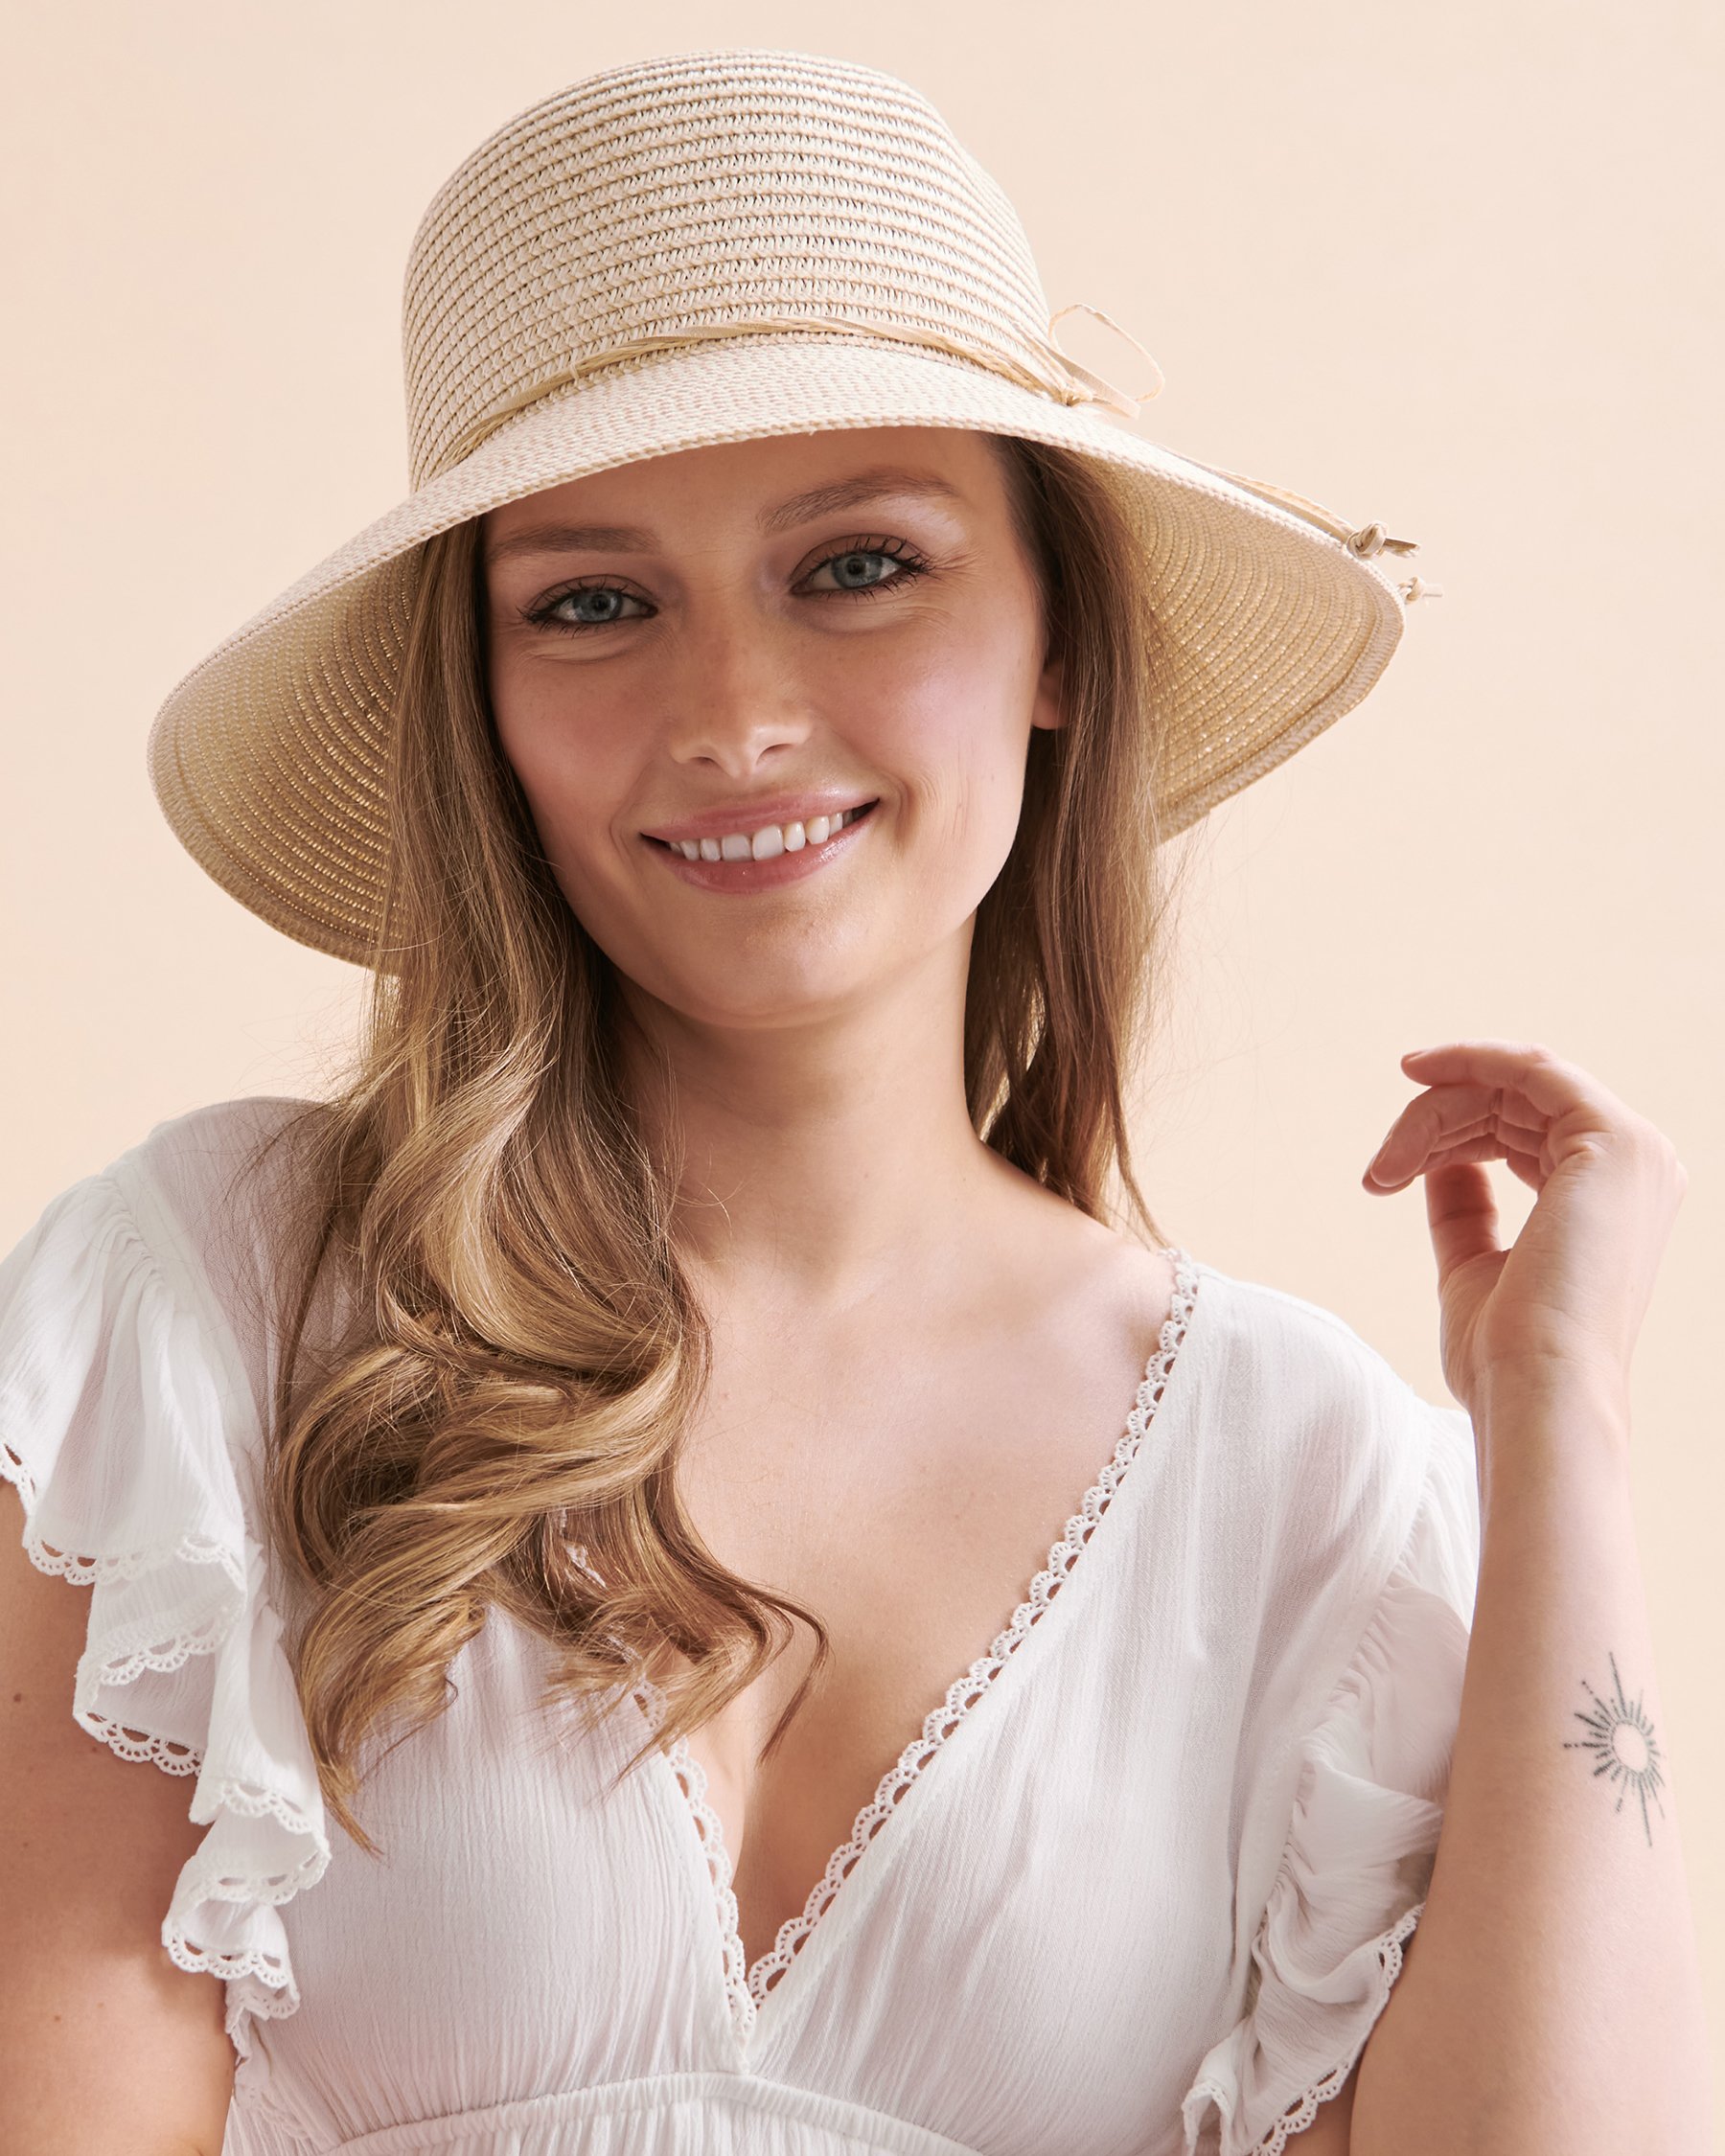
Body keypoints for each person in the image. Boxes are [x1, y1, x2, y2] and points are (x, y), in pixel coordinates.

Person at [2, 45, 1707, 2156]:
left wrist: (1559, 1425)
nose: (733, 713)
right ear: (486, 703)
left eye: (858, 565)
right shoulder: (209, 1316)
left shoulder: (1297, 1475)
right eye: (593, 602)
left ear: (1056, 637)